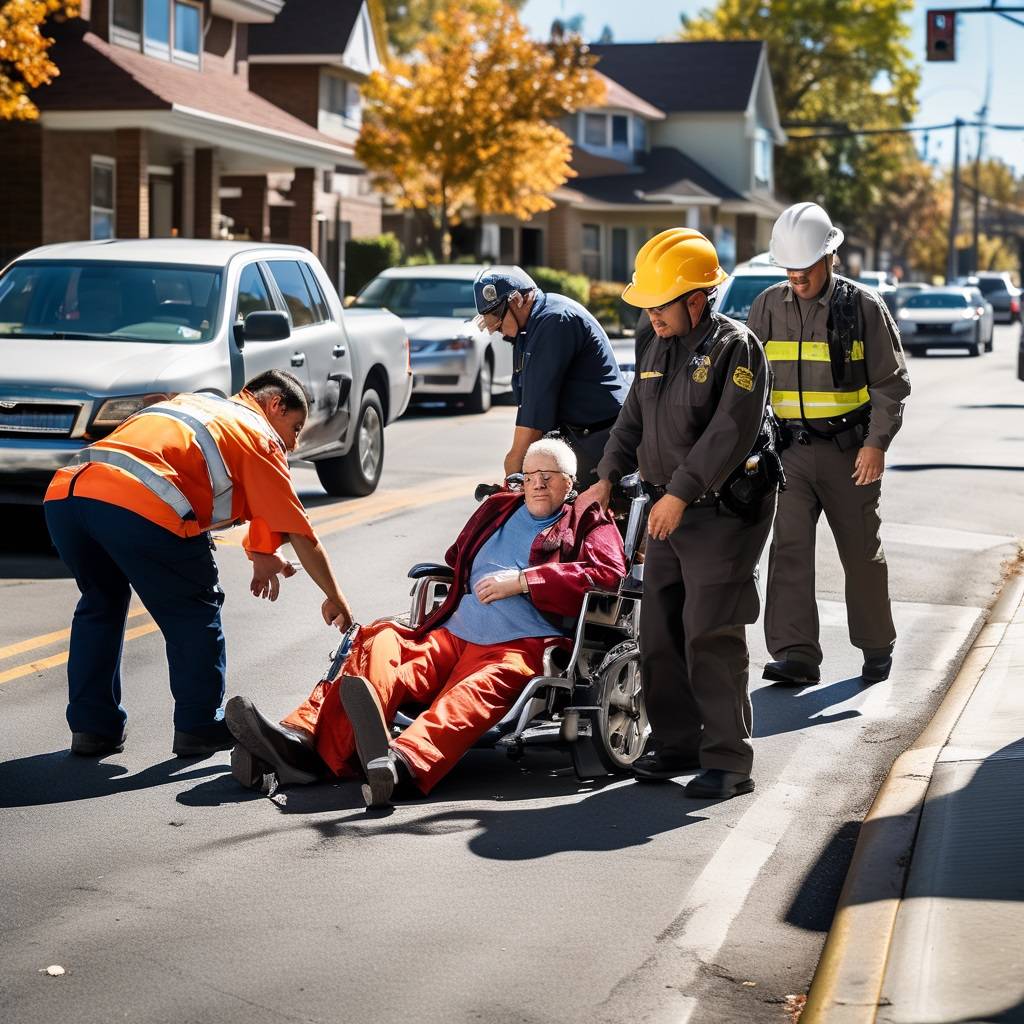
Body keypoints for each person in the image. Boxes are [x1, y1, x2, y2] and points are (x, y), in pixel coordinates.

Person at [223, 438, 627, 807]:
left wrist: (522, 581)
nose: (537, 485)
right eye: (530, 476)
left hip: (520, 644)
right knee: (379, 643)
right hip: (453, 630)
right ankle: (302, 737)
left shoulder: (588, 520)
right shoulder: (498, 509)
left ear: (570, 483)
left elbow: (608, 574)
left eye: (549, 476)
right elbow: (457, 560)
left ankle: (398, 763)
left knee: (468, 695)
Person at [44, 370, 353, 759]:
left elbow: (242, 494)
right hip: (136, 502)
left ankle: (93, 729)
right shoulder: (257, 432)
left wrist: (262, 552)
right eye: (294, 428)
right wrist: (335, 597)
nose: (291, 444)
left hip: (67, 496)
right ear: (275, 405)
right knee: (193, 609)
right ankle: (200, 725)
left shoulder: (199, 405)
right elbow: (300, 531)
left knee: (100, 605)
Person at [577, 228, 777, 802]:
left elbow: (727, 435)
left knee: (708, 632)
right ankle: (676, 743)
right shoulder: (656, 345)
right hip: (668, 509)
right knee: (659, 630)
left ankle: (728, 761)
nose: (650, 314)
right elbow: (631, 419)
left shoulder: (735, 348)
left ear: (696, 298)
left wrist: (679, 494)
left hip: (722, 512)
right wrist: (605, 477)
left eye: (659, 304)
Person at [746, 202, 911, 687]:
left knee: (860, 553)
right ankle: (796, 654)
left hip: (849, 452)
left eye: (806, 267)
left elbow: (891, 382)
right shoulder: (767, 306)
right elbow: (749, 383)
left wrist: (877, 444)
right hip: (789, 453)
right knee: (789, 551)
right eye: (789, 268)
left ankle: (876, 645)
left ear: (830, 258)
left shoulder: (863, 307)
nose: (796, 276)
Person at [472, 266, 628, 488]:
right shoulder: (529, 328)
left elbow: (536, 409)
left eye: (496, 316)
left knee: (585, 516)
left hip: (598, 438)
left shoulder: (554, 320)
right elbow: (527, 401)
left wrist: (514, 466)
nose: (494, 328)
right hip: (578, 435)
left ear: (517, 300)